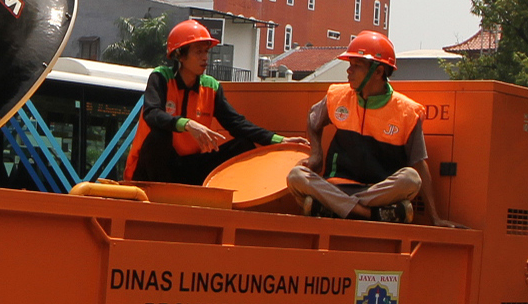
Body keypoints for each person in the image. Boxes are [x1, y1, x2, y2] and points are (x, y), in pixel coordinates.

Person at [123, 20, 308, 185]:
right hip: (151, 170)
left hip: (187, 168)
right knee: (159, 136)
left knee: (243, 145)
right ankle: (161, 195)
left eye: (206, 51)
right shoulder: (161, 78)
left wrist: (279, 140)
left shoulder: (211, 87)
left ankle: (236, 197)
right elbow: (152, 114)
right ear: (180, 55)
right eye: (198, 52)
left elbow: (237, 124)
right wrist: (187, 124)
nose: (205, 57)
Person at [286, 31, 436, 223]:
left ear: (379, 72)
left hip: (376, 191)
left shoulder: (407, 112)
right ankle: (369, 214)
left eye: (356, 66)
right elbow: (313, 118)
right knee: (296, 176)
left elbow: (419, 165)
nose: (349, 71)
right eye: (350, 65)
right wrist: (316, 154)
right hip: (336, 187)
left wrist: (435, 217)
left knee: (411, 179)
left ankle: (333, 208)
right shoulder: (338, 96)